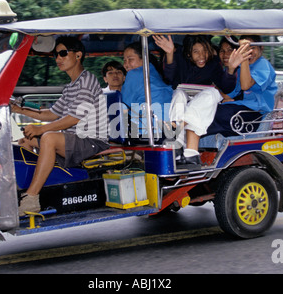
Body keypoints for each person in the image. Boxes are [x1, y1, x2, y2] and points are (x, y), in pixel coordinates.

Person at [12, 36, 109, 215]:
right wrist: (20, 110)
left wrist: (40, 129)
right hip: (75, 140)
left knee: (48, 138)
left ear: (78, 55)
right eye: (56, 55)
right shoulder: (71, 86)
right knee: (25, 141)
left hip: (91, 141)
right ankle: (32, 191)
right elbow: (51, 114)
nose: (58, 59)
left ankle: (31, 198)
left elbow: (73, 118)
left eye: (63, 54)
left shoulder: (86, 80)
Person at [184, 35, 277, 165]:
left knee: (215, 115)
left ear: (261, 48)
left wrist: (243, 58)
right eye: (243, 49)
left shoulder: (262, 64)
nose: (248, 52)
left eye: (252, 48)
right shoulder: (240, 69)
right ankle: (188, 150)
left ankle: (184, 144)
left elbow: (245, 85)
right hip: (236, 111)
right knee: (206, 111)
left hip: (251, 116)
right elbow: (229, 94)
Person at [153, 35, 245, 163]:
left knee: (212, 93)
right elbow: (169, 78)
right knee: (178, 94)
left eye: (204, 51)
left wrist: (230, 69)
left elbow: (226, 87)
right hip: (184, 94)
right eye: (196, 52)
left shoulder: (213, 62)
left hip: (204, 98)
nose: (201, 56)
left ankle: (177, 124)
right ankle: (182, 148)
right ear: (189, 54)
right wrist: (169, 54)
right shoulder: (180, 57)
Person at [120, 42, 173, 137]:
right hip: (166, 126)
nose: (126, 65)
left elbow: (123, 105)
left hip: (146, 128)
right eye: (124, 61)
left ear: (144, 59)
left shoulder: (135, 74)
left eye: (130, 59)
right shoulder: (153, 72)